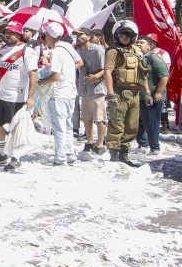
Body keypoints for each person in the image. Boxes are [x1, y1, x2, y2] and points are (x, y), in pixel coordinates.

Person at [0, 21, 38, 171]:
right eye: (7, 32)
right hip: (1, 94)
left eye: (12, 32)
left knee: (15, 128)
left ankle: (16, 157)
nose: (8, 34)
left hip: (18, 97)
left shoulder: (27, 51)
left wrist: (31, 97)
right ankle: (1, 153)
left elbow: (33, 74)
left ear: (19, 34)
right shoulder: (2, 49)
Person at [104, 20, 146, 167]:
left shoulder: (137, 51)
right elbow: (108, 72)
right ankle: (114, 155)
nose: (124, 37)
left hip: (135, 93)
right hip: (120, 93)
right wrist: (110, 93)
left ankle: (124, 155)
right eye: (121, 34)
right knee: (117, 125)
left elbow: (142, 73)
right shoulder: (113, 51)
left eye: (127, 34)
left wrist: (146, 92)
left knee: (132, 127)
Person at [38, 23, 78, 165]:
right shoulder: (68, 47)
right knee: (67, 125)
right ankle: (70, 153)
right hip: (71, 91)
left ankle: (60, 157)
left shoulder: (56, 52)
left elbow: (55, 76)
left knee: (59, 127)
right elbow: (79, 62)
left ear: (49, 36)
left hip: (59, 93)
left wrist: (41, 82)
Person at [73, 27, 108, 155]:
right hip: (84, 87)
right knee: (86, 116)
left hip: (98, 87)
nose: (78, 37)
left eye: (81, 35)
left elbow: (107, 68)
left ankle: (100, 143)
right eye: (77, 35)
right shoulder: (78, 50)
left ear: (88, 36)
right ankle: (89, 141)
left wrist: (96, 76)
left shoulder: (98, 50)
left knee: (99, 117)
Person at [136, 35, 168, 156]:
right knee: (140, 122)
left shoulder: (154, 58)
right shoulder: (138, 58)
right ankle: (142, 144)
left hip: (152, 96)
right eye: (137, 42)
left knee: (151, 122)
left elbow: (164, 75)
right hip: (139, 96)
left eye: (142, 42)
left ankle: (154, 147)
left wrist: (158, 92)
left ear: (149, 47)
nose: (138, 44)